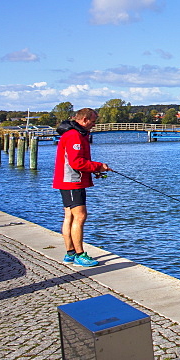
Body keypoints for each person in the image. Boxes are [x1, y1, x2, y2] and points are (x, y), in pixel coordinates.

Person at [52, 108, 109, 268]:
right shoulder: (74, 136)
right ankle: (79, 254)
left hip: (70, 181)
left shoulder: (74, 134)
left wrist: (94, 170)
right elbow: (76, 162)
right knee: (80, 216)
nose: (94, 125)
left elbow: (78, 162)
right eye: (93, 121)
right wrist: (98, 166)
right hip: (72, 182)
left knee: (69, 216)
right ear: (84, 120)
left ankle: (70, 253)